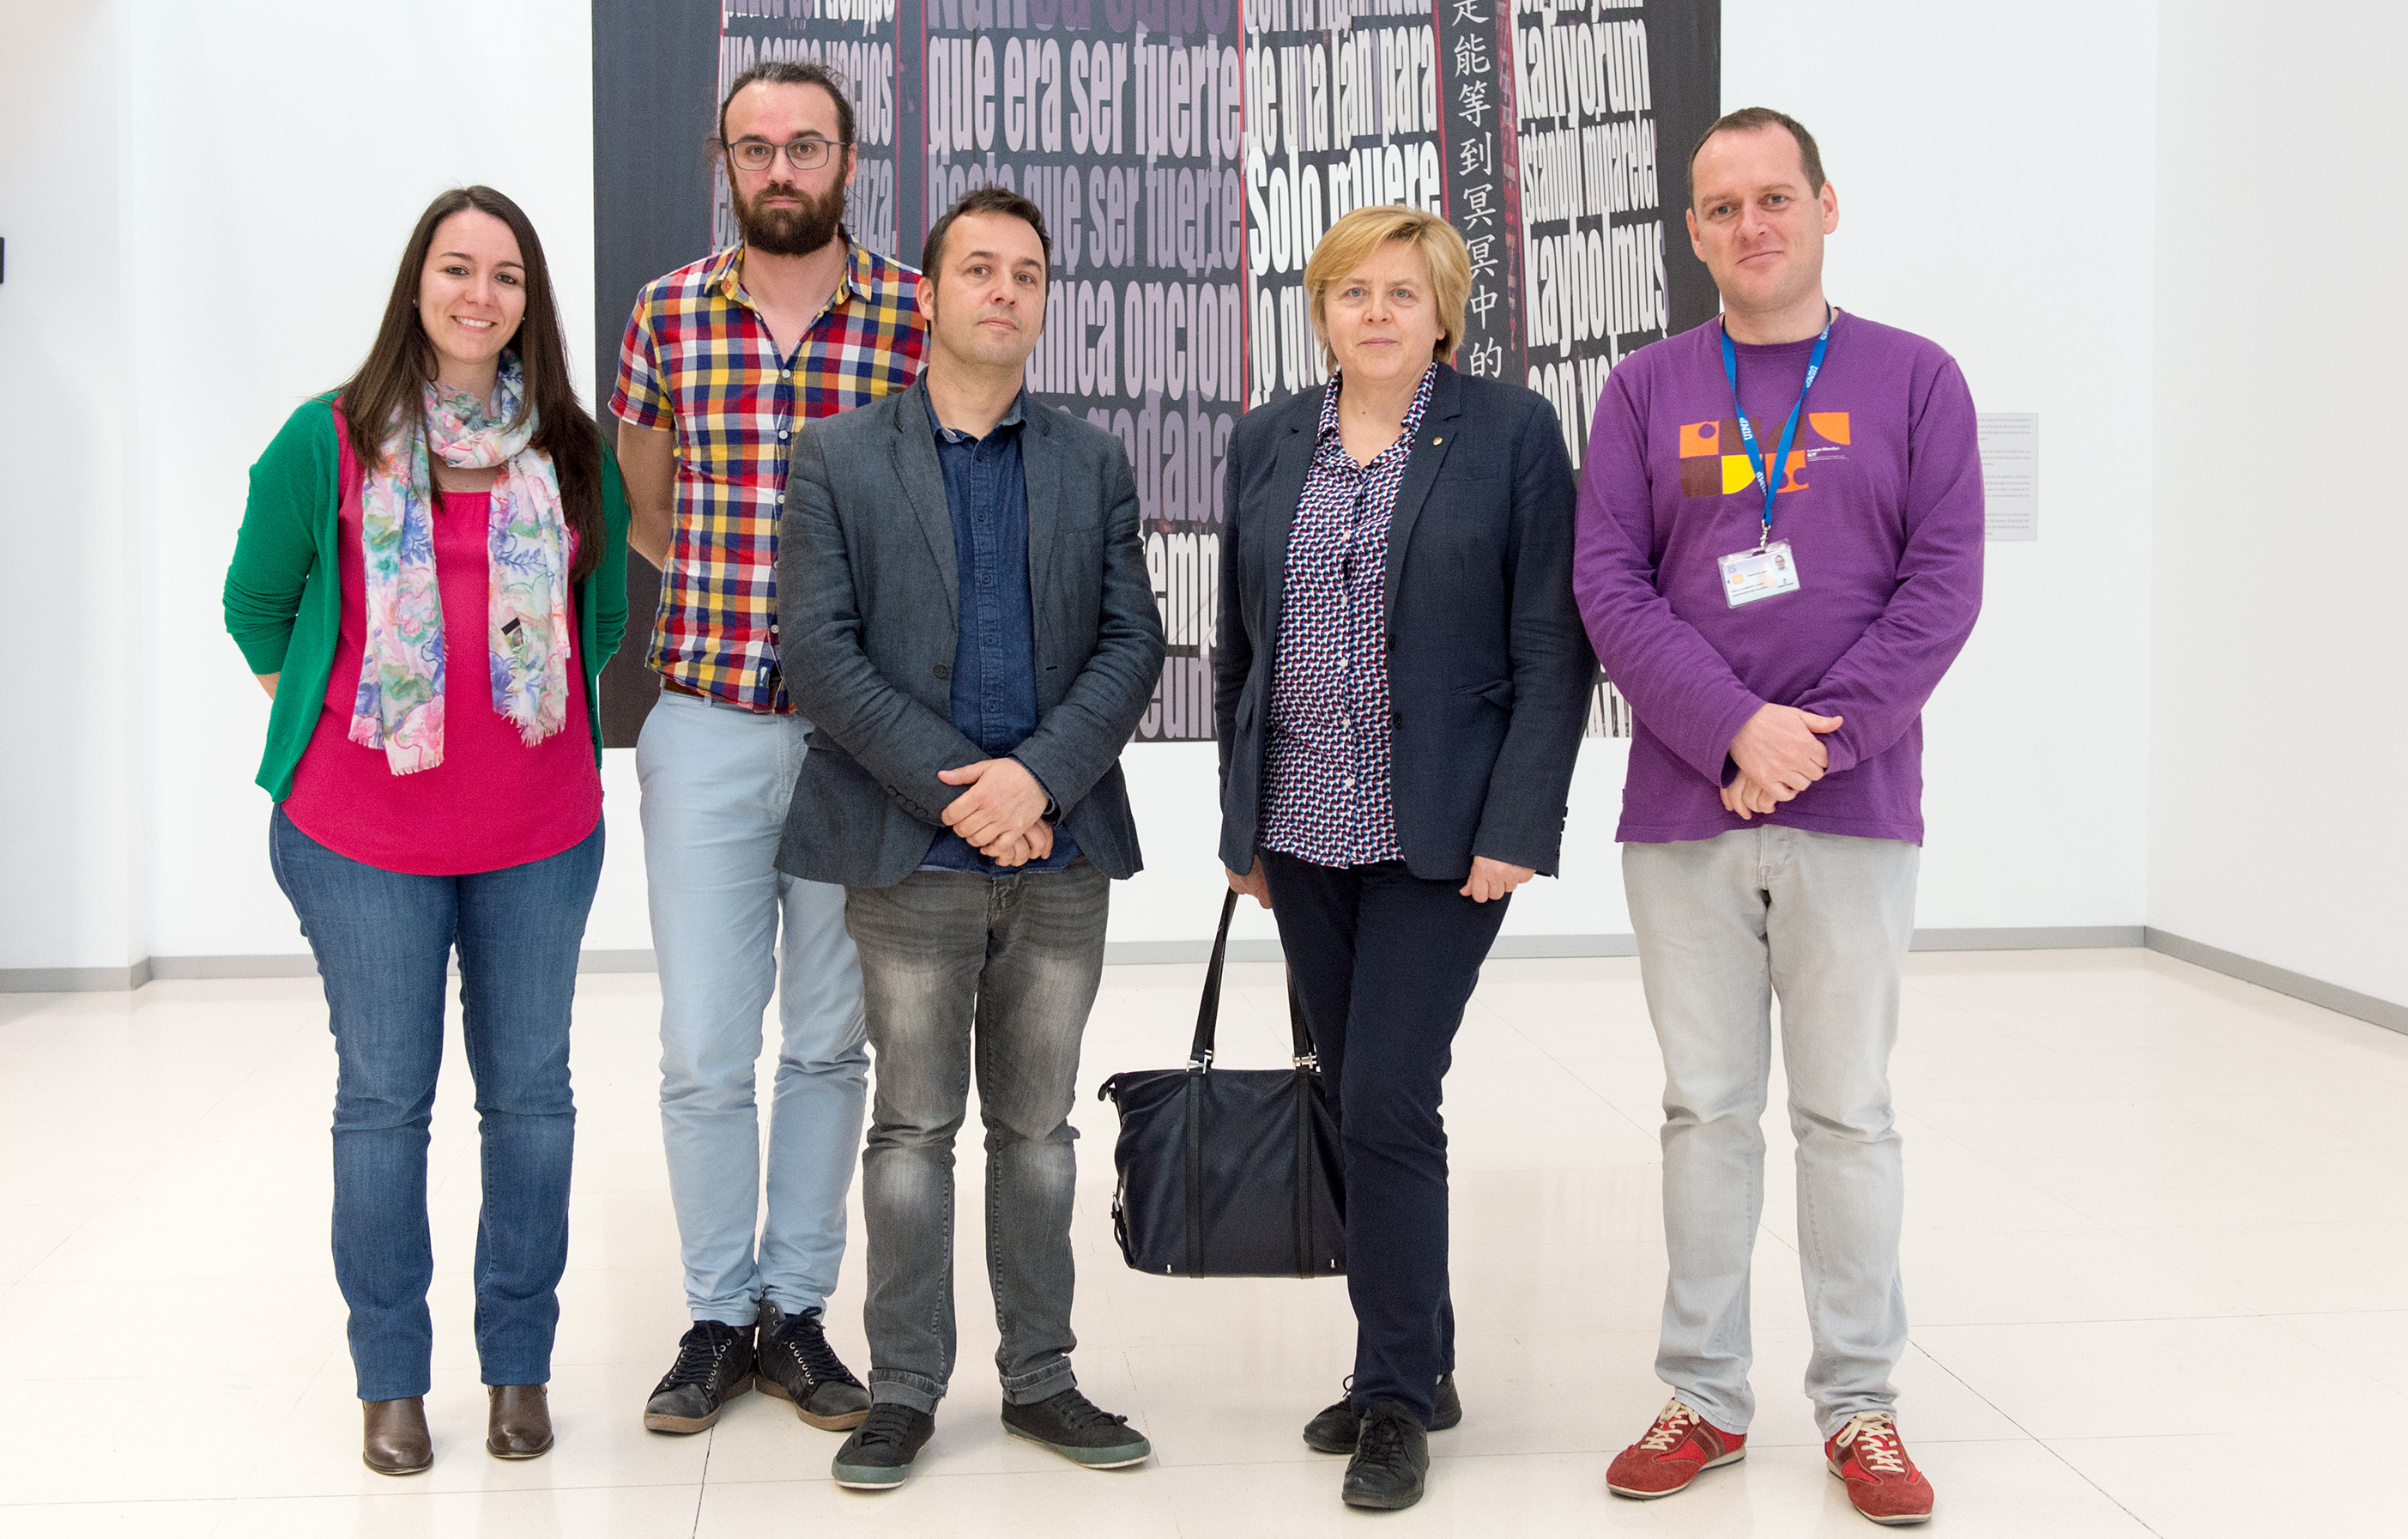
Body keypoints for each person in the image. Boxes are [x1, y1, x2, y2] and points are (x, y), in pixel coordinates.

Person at [1573, 107, 1984, 1528]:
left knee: (1847, 1113)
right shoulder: (1643, 390)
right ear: (1691, 232)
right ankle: (1701, 1394)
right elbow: (1608, 584)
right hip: (1682, 810)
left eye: (1773, 197)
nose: (1750, 224)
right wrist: (1728, 729)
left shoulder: (1915, 379)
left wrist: (1810, 742)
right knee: (1704, 1111)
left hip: (1854, 806)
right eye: (1721, 206)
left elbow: (1941, 587)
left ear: (1823, 206)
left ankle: (1859, 1403)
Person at [222, 186, 629, 1475]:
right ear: (417, 284)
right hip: (360, 836)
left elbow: (602, 620)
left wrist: (513, 716)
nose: (479, 294)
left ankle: (518, 1368)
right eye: (457, 268)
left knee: (532, 1100)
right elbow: (256, 606)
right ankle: (389, 1380)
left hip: (538, 831)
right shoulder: (329, 437)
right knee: (385, 1102)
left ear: (528, 301)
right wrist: (356, 715)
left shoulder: (570, 448)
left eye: (506, 275)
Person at [775, 186, 1166, 1490]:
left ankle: (1041, 1379)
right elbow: (819, 655)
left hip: (1059, 855)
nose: (1004, 290)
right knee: (910, 1132)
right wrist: (964, 795)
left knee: (1041, 1133)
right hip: (909, 856)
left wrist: (1036, 781)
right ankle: (901, 1390)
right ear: (929, 294)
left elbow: (1132, 643)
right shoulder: (839, 457)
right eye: (979, 269)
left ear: (1044, 302)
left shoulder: (1089, 462)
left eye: (1027, 274)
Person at [1214, 203, 1595, 1512]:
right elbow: (1238, 651)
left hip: (1441, 833)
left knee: (1384, 1093)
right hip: (1301, 829)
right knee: (1351, 1094)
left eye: (1401, 292)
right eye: (1351, 291)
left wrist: (1516, 824)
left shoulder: (1509, 433)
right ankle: (1419, 1357)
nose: (1375, 313)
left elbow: (1550, 644)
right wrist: (1240, 825)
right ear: (1321, 310)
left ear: (1443, 313)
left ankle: (1389, 1396)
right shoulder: (1269, 439)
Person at [609, 60, 925, 1437]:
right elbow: (646, 504)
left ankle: (795, 1312)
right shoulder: (667, 312)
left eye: (806, 145)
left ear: (848, 161)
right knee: (701, 1043)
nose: (780, 167)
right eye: (756, 147)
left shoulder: (915, 311)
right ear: (723, 162)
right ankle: (711, 1314)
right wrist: (742, 604)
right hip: (707, 724)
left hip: (859, 743)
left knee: (829, 1042)